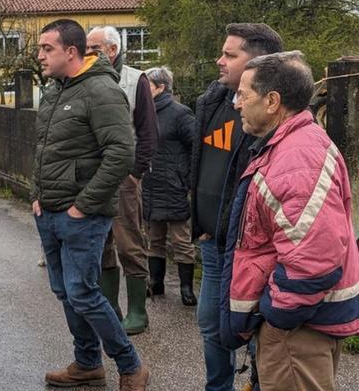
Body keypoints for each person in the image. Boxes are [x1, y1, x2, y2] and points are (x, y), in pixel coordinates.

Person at [222, 51, 359, 390]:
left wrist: (276, 316)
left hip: (297, 331)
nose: (236, 103)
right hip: (300, 326)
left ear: (272, 101)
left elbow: (313, 260)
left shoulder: (296, 158)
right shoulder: (290, 145)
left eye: (244, 94)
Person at [32, 19, 149, 390]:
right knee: (65, 291)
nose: (40, 56)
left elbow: (121, 152)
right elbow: (44, 149)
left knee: (83, 292)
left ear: (71, 51)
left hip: (81, 215)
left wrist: (83, 206)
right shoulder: (53, 91)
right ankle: (87, 363)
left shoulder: (101, 90)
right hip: (49, 211)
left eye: (46, 49)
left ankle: (131, 366)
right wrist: (36, 195)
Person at [191, 23, 283, 391]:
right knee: (211, 323)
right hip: (212, 241)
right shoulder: (211, 101)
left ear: (257, 63)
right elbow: (200, 165)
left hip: (253, 248)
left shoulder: (275, 114)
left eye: (230, 55)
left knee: (260, 327)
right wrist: (197, 218)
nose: (220, 61)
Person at [88, 26, 159, 335]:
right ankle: (111, 308)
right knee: (101, 243)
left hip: (123, 176)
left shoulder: (134, 79)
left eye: (93, 47)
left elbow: (148, 132)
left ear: (112, 50)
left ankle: (137, 313)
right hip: (93, 176)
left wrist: (135, 172)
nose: (87, 52)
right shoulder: (86, 77)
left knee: (129, 242)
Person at [141, 67, 197, 306]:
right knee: (155, 238)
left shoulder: (180, 113)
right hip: (151, 185)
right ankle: (157, 282)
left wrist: (187, 178)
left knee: (181, 240)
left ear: (161, 87)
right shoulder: (143, 113)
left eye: (148, 86)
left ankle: (186, 288)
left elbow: (196, 146)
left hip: (174, 185)